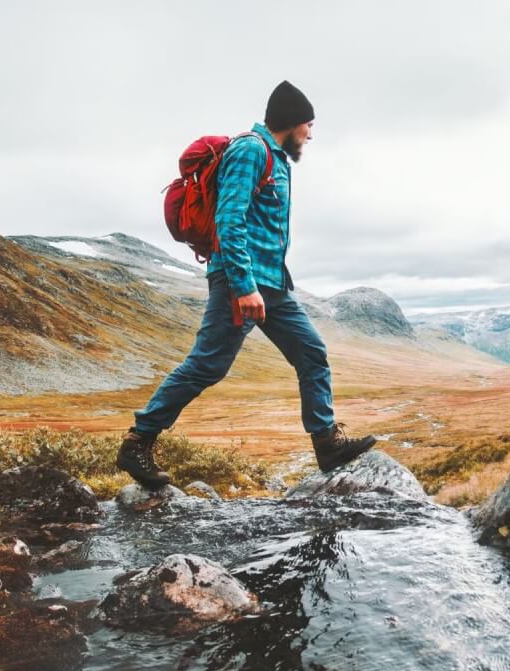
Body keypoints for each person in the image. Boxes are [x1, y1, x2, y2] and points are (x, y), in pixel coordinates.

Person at [117, 80, 376, 490]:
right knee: (207, 365)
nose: (311, 134)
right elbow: (229, 220)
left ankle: (326, 442)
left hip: (273, 284)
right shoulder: (250, 150)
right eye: (309, 125)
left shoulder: (277, 159)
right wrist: (243, 285)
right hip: (241, 282)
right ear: (291, 121)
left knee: (311, 352)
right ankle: (138, 441)